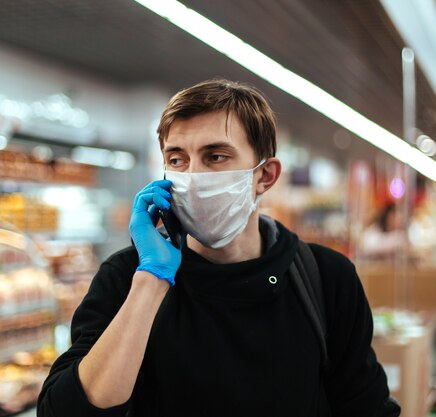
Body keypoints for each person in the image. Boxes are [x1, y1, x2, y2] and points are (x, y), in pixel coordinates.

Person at [37, 79, 400, 417]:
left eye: (215, 156)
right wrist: (151, 280)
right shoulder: (125, 277)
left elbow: (365, 407)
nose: (192, 175)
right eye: (177, 159)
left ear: (265, 176)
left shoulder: (325, 278)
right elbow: (64, 410)